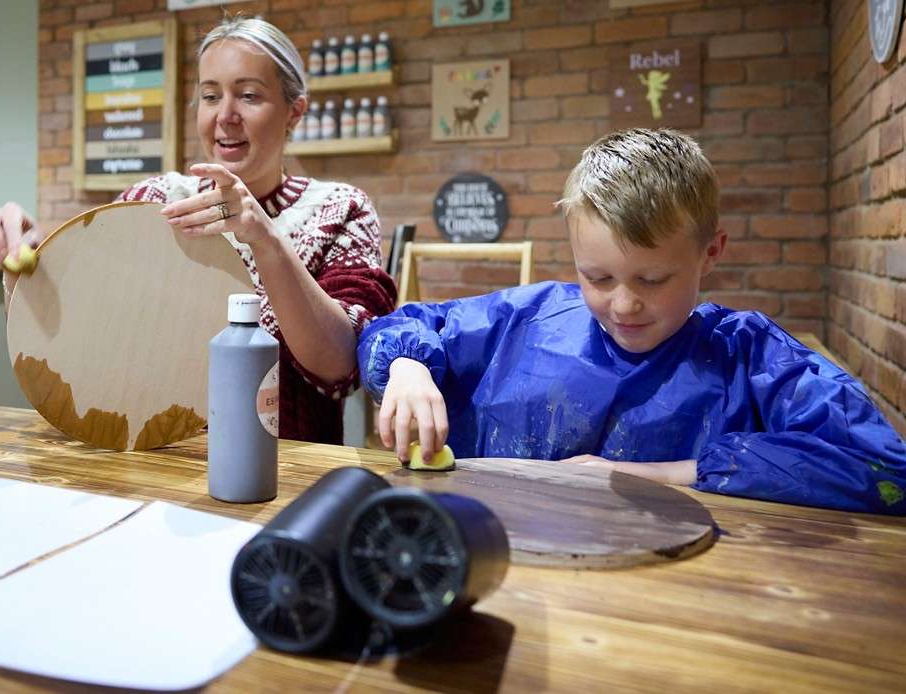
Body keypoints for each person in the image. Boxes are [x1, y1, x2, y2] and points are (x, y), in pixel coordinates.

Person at [358, 128, 906, 514]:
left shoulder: (751, 358)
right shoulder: (524, 320)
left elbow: (885, 471)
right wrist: (407, 366)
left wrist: (661, 475)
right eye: (597, 278)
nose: (623, 305)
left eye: (652, 280)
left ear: (710, 252)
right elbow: (400, 325)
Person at [0, 15, 397, 444]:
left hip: (281, 471)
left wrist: (265, 239)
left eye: (249, 95)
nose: (225, 115)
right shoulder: (153, 200)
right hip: (150, 460)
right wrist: (25, 263)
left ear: (294, 112)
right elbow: (79, 338)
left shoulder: (340, 210)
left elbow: (340, 367)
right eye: (210, 96)